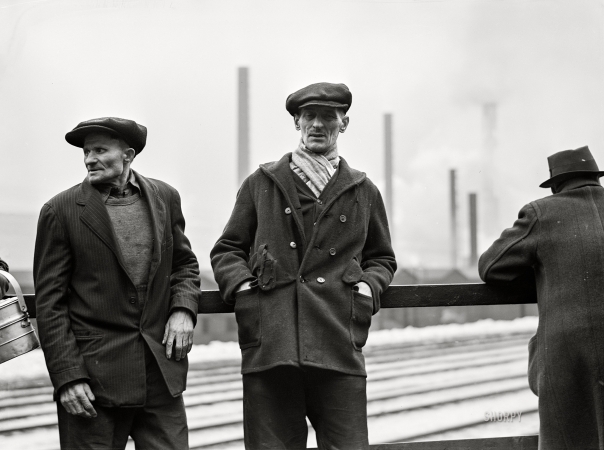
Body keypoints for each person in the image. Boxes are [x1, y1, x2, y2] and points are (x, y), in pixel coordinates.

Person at [211, 82, 397, 449]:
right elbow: (227, 250)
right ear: (297, 121)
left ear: (343, 123)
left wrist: (366, 288)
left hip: (337, 339)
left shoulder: (362, 190)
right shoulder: (262, 183)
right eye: (309, 116)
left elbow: (382, 258)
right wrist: (246, 290)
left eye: (328, 116)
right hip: (272, 343)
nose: (317, 124)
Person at [34, 117, 201, 449]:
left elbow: (184, 265)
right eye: (85, 152)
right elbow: (50, 304)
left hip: (159, 375)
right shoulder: (60, 211)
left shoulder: (165, 198)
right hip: (94, 383)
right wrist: (68, 378)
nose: (89, 159)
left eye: (99, 150)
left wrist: (183, 310)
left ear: (128, 154)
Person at [479, 146, 604, 450]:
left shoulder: (542, 213)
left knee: (571, 437)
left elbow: (491, 266)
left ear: (557, 185)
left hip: (569, 356)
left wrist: (540, 267)